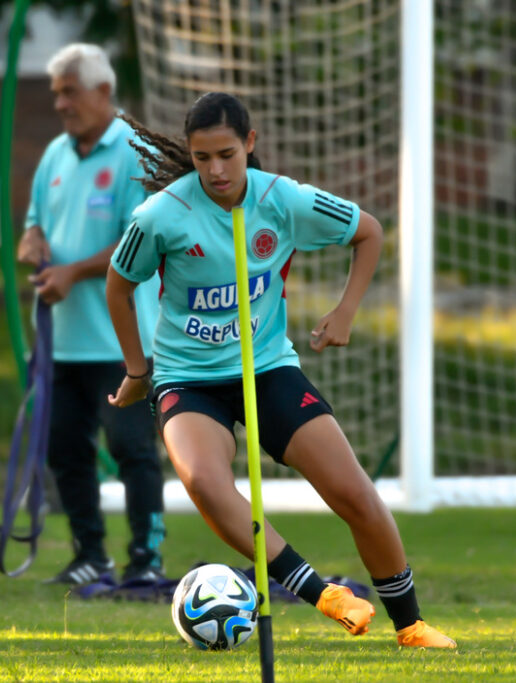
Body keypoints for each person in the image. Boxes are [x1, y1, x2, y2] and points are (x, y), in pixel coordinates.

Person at [104, 92, 456, 648]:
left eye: (226, 154)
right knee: (204, 482)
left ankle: (411, 625)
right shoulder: (160, 216)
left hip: (267, 369)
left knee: (355, 495)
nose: (215, 170)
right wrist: (137, 368)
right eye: (201, 158)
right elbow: (118, 287)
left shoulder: (283, 200)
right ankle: (322, 593)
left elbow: (369, 232)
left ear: (250, 143)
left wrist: (345, 311)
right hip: (188, 379)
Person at [18, 43, 166, 586]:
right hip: (60, 342)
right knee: (64, 452)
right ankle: (90, 557)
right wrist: (31, 245)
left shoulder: (133, 152)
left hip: (121, 342)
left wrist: (71, 272)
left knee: (132, 450)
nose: (59, 104)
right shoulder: (55, 154)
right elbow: (35, 222)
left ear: (103, 92)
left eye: (69, 91)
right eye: (55, 93)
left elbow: (141, 240)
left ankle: (146, 562)